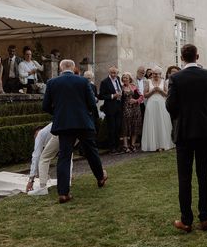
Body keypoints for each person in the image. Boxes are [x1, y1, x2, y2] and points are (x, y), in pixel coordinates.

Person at [166, 44, 207, 232]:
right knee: (204, 175)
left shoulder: (176, 77)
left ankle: (186, 220)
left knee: (184, 177)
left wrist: (183, 113)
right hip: (205, 130)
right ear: (197, 56)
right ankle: (204, 218)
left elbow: (170, 105)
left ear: (182, 58)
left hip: (185, 131)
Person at [42, 59, 107, 204]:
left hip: (64, 124)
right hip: (83, 122)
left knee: (64, 156)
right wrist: (89, 116)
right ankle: (100, 177)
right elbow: (91, 103)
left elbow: (45, 106)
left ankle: (63, 193)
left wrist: (59, 113)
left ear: (60, 68)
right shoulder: (83, 82)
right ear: (73, 68)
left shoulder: (52, 83)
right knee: (91, 152)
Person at [142, 67, 174, 152]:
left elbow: (167, 94)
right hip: (151, 103)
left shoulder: (164, 82)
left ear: (160, 74)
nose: (155, 75)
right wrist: (152, 91)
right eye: (153, 74)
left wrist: (160, 90)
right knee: (152, 121)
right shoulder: (148, 82)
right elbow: (145, 95)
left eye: (157, 74)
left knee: (162, 122)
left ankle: (163, 144)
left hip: (161, 103)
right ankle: (153, 145)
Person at [99, 66, 123, 152]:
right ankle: (112, 147)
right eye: (112, 73)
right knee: (111, 128)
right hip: (110, 108)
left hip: (119, 107)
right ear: (109, 73)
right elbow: (101, 96)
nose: (113, 74)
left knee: (118, 127)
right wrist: (113, 96)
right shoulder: (104, 82)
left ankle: (118, 146)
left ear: (117, 73)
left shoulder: (118, 79)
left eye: (115, 73)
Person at [120, 72, 143, 153]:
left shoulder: (134, 87)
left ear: (130, 79)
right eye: (123, 78)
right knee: (125, 126)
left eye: (126, 77)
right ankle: (125, 146)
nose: (125, 79)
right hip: (126, 109)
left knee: (135, 126)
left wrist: (136, 101)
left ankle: (132, 145)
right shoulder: (121, 88)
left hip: (135, 109)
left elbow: (141, 97)